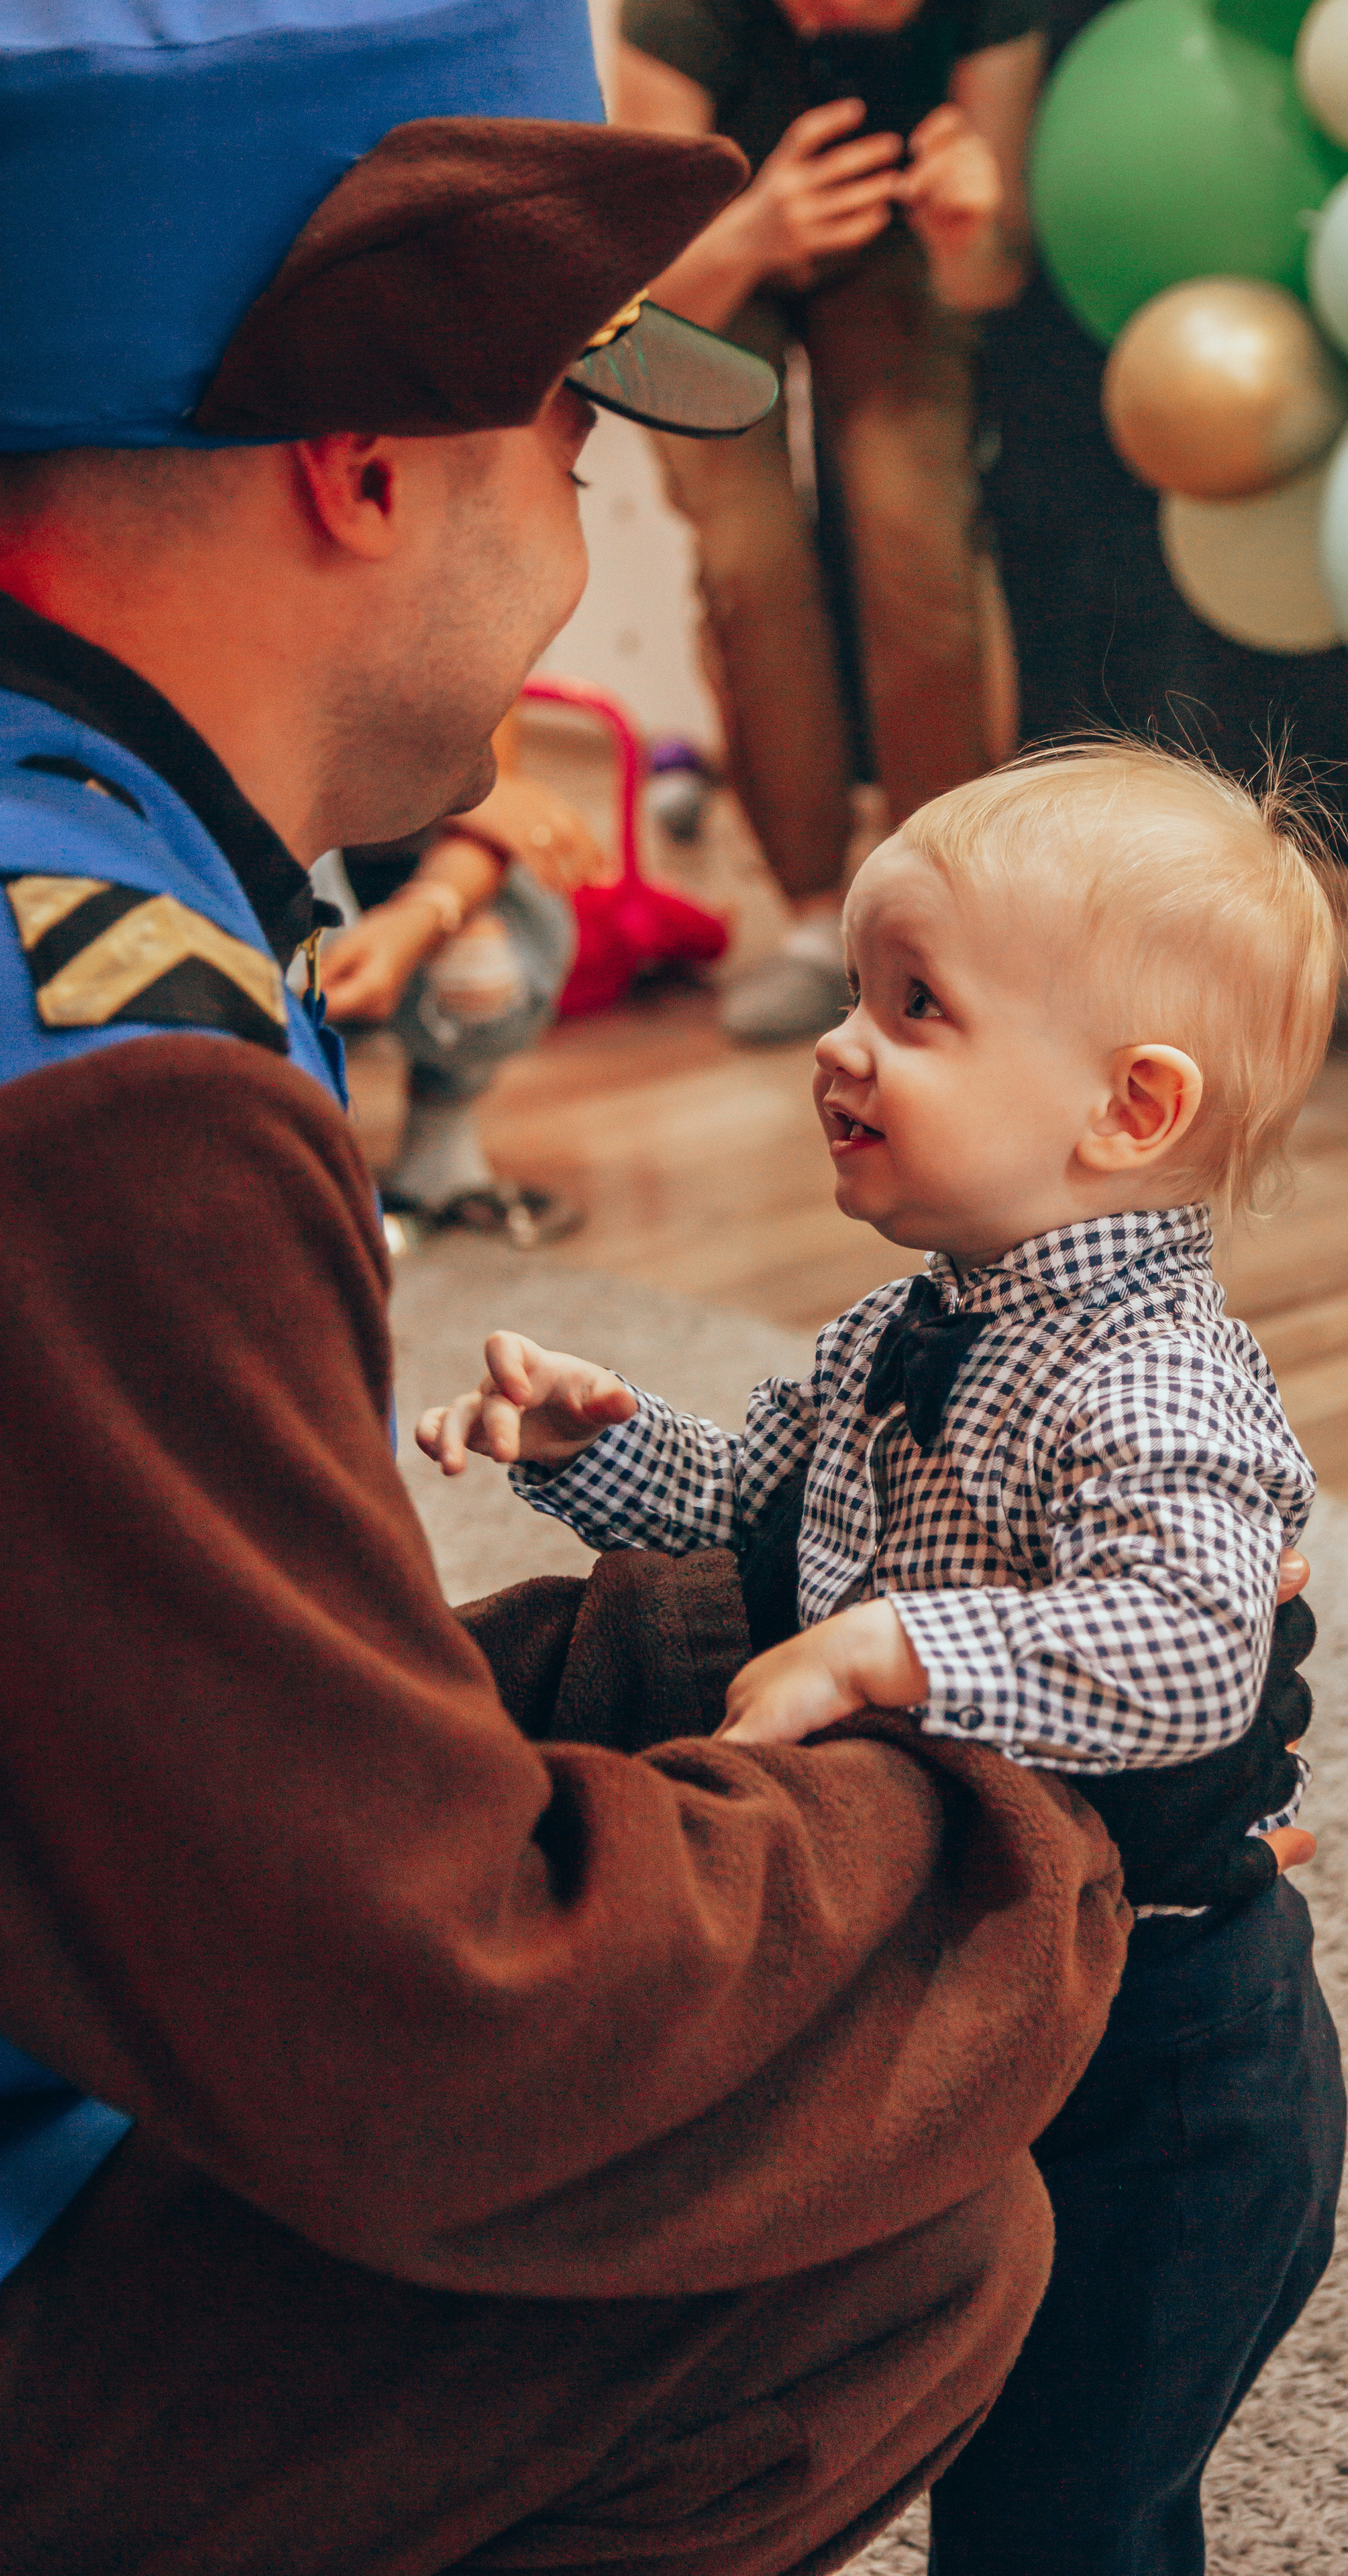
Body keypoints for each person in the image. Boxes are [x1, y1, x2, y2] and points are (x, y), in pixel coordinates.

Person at [0, 8, 1144, 2569]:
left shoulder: (83, 880)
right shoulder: (104, 1098)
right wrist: (1020, 1840)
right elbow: (414, 2030)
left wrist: (735, 1630)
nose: (577, 521)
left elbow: (125, 1728)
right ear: (363, 453)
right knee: (878, 2254)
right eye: (571, 430)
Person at [421, 740, 1348, 2575]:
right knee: (913, 2374)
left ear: (1128, 1108)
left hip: (1160, 2059)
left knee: (1061, 2510)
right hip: (968, 1965)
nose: (841, 1046)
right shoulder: (896, 1329)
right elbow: (751, 1521)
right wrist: (596, 1445)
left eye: (916, 1007)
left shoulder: (1153, 1381)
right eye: (855, 994)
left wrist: (893, 1651)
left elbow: (1191, 1657)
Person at [612, 0, 1043, 1042]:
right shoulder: (678, 15)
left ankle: (943, 912)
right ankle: (811, 919)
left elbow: (994, 275)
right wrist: (756, 231)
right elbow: (631, 318)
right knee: (748, 559)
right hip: (707, 261)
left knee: (917, 539)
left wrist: (970, 232)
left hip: (893, 248)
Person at [321, 757, 603, 1245]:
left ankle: (439, 1139)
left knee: (485, 964)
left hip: (401, 871)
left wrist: (428, 911)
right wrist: (437, 790)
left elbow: (500, 816)